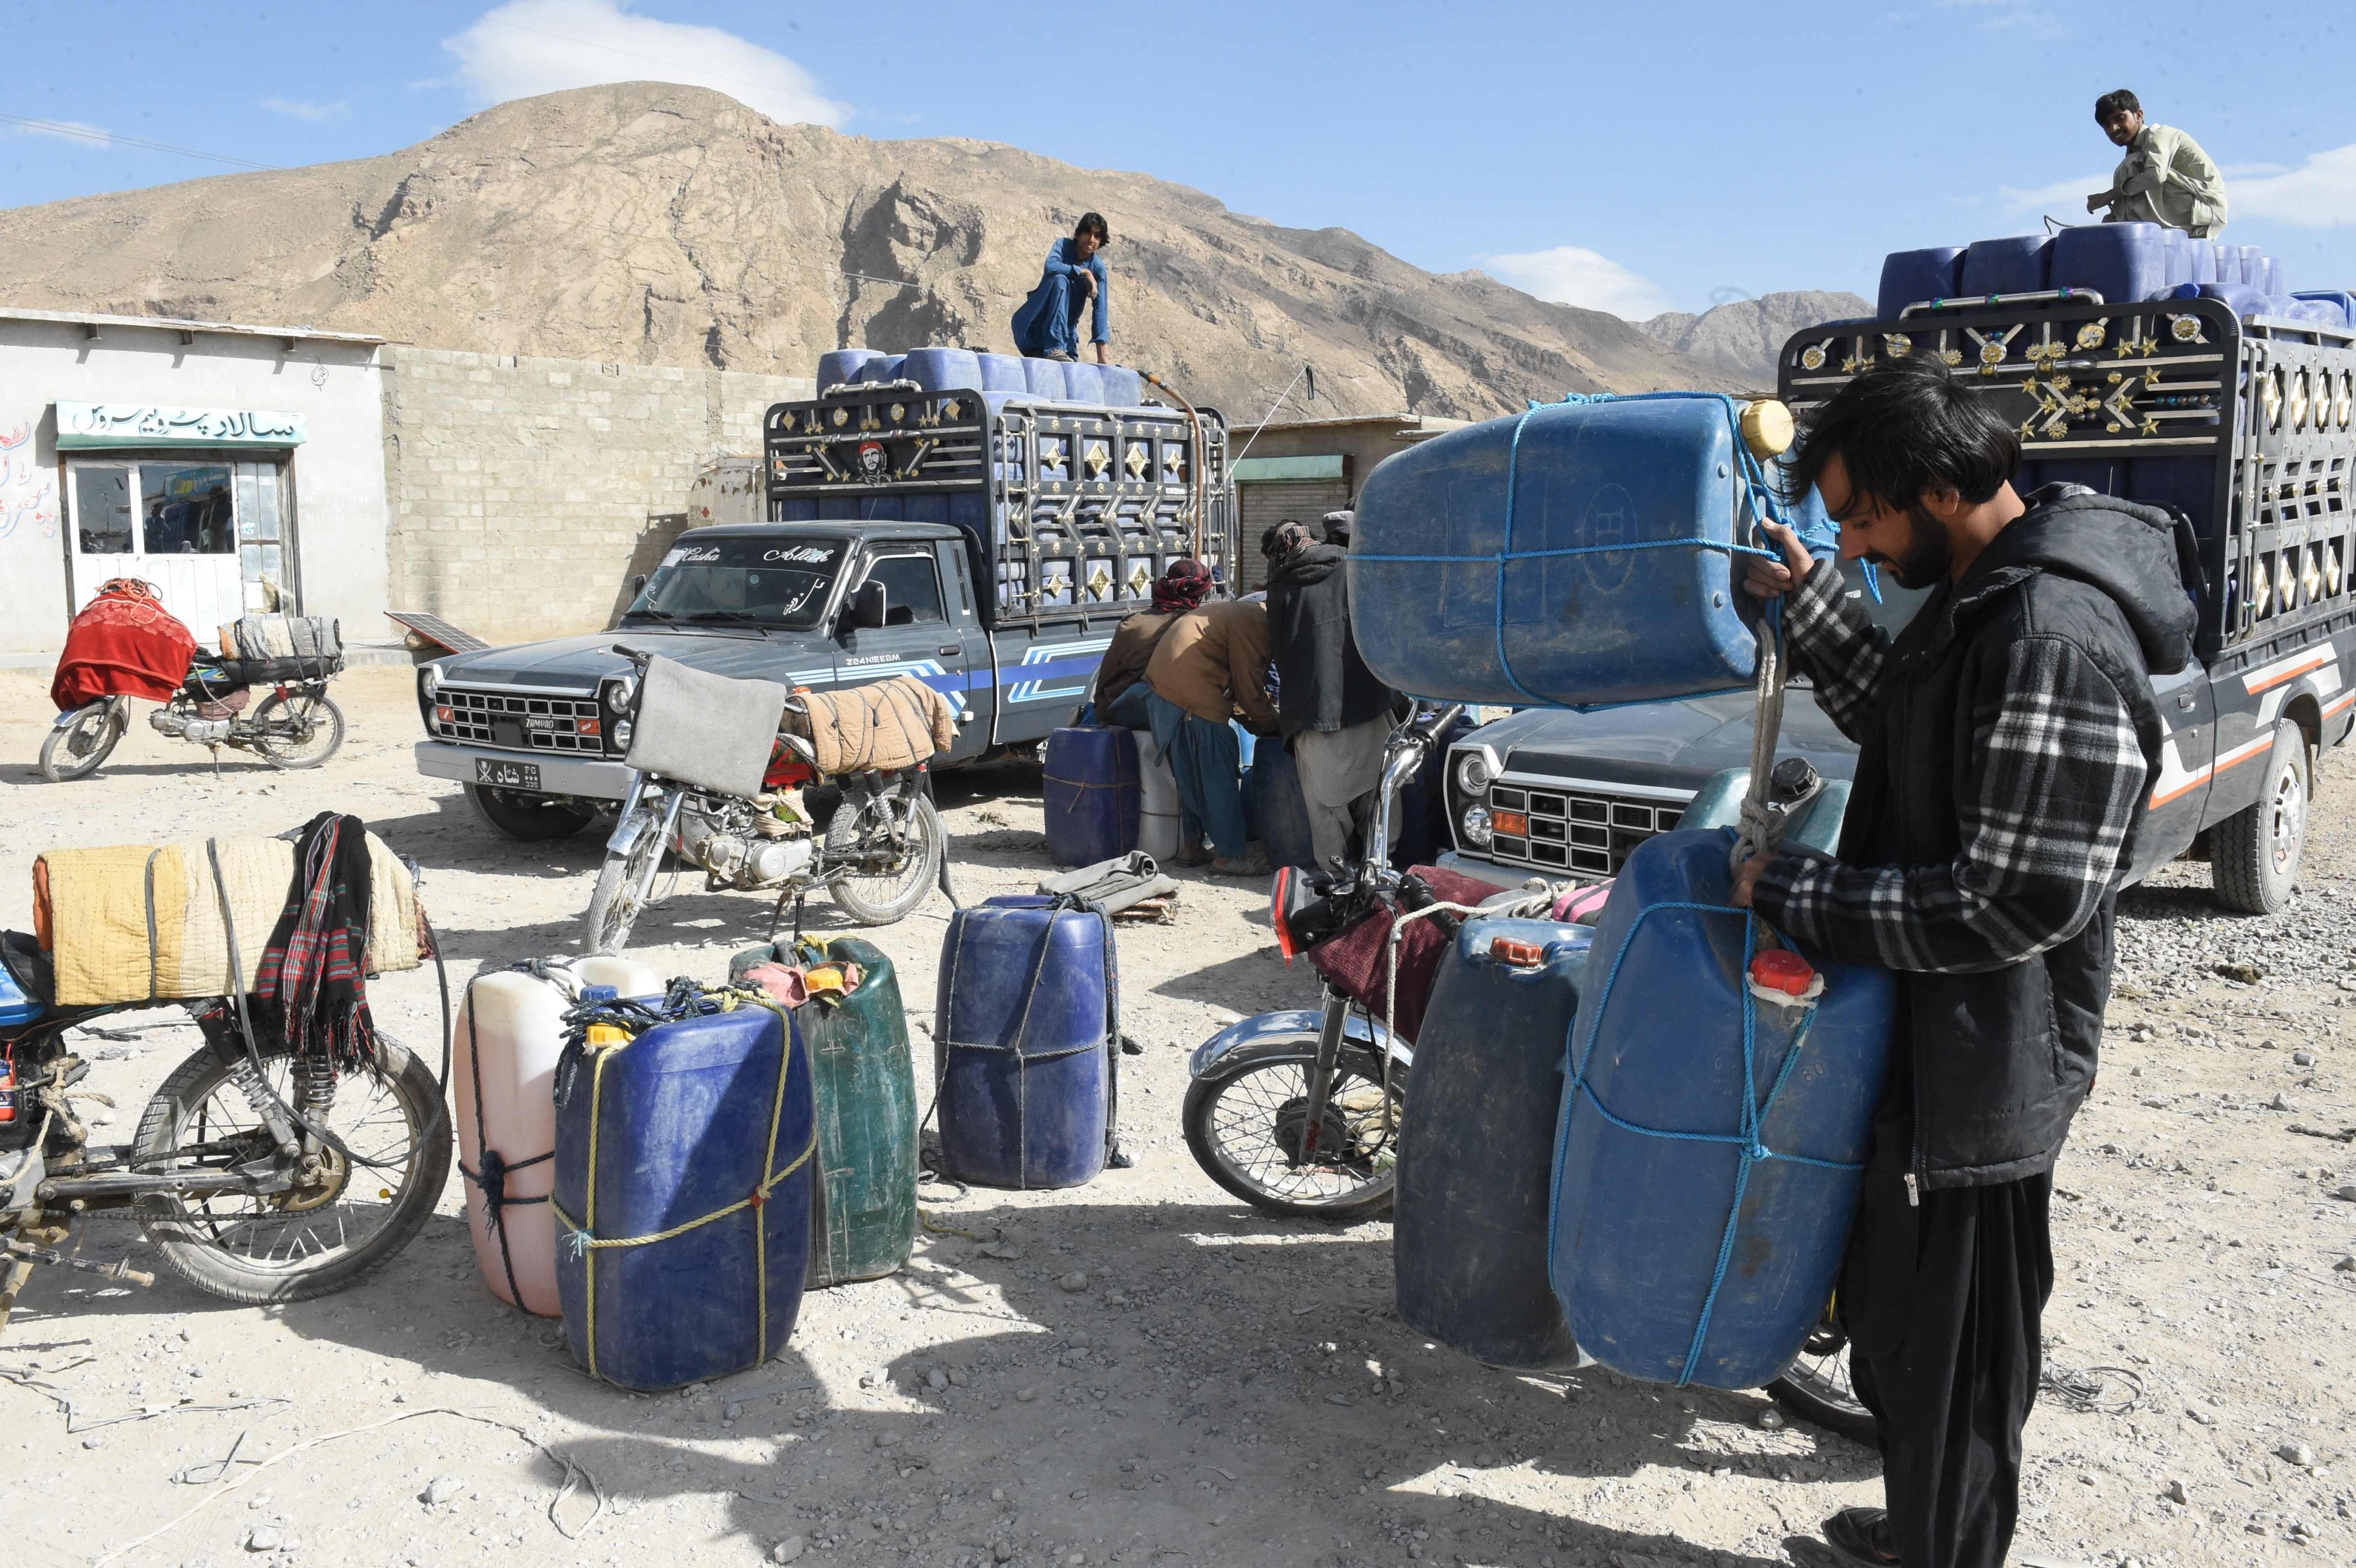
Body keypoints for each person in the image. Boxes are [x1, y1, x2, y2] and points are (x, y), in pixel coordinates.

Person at [1733, 358, 2193, 1568]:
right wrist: (1812, 604)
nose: (1850, 546)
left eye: (1860, 520)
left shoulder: (2047, 633)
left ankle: (1945, 1551)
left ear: (1936, 490)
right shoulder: (1982, 600)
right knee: (1899, 1327)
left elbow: (2012, 900)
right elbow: (1914, 715)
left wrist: (1797, 891)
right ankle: (1923, 1532)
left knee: (1955, 1362)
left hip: (1983, 1068)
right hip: (1934, 1042)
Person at [1261, 519, 1398, 870]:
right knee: (1380, 788)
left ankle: (1337, 874)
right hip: (1369, 695)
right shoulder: (1349, 563)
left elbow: (1281, 651)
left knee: (1325, 801)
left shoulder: (1280, 588)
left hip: (1313, 707)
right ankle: (1381, 865)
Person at [1143, 593, 1278, 876]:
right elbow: (1248, 689)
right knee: (1219, 776)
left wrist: (1250, 714)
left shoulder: (1233, 612)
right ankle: (1228, 855)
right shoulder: (1255, 623)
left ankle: (1191, 846)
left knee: (1189, 776)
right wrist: (1275, 725)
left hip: (1163, 695)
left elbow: (1237, 689)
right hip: (1195, 699)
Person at [2087, 88, 2226, 238]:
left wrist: (2108, 196)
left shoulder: (2158, 134)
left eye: (2120, 118)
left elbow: (2155, 176)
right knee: (2129, 176)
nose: (2114, 128)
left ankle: (2128, 234)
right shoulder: (2135, 152)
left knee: (2132, 168)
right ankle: (2116, 231)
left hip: (2204, 210)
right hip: (2187, 213)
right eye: (2107, 125)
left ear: (2139, 115)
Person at [1093, 559, 1213, 729]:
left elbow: (1107, 677)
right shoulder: (1205, 628)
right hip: (1180, 721)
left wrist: (1101, 709)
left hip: (1124, 716)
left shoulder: (1133, 624)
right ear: (1200, 594)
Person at [1011, 212, 1112, 365]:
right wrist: (1083, 272)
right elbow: (1051, 266)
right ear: (1078, 234)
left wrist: (1102, 357)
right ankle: (1054, 347)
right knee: (1060, 280)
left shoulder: (1098, 268)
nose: (1091, 240)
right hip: (1033, 328)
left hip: (1066, 336)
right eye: (1088, 233)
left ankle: (1058, 347)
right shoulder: (1062, 246)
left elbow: (1100, 311)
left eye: (1097, 237)